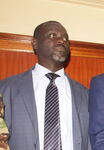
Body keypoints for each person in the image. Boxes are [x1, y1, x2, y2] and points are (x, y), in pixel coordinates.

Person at [0, 21, 90, 150]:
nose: (61, 40)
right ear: (35, 43)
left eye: (66, 38)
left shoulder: (86, 94)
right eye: (53, 35)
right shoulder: (5, 89)